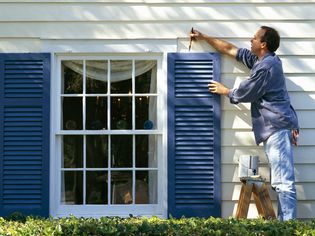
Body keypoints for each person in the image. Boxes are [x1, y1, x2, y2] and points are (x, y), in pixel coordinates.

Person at [190, 26, 299, 221]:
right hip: (277, 128)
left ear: (263, 44)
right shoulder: (261, 61)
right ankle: (285, 225)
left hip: (277, 128)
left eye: (255, 38)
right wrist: (203, 37)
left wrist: (225, 91)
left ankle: (288, 227)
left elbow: (247, 92)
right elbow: (231, 50)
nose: (251, 39)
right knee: (281, 181)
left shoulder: (267, 67)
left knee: (283, 182)